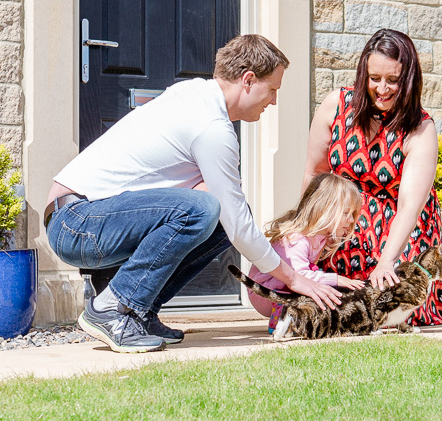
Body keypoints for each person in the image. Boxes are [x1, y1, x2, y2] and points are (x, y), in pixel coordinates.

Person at [45, 34, 342, 354]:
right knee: (204, 210)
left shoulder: (195, 95)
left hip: (86, 218)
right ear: (248, 80)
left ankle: (140, 312)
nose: (273, 101)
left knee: (217, 220)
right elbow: (239, 226)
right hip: (75, 222)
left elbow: (233, 218)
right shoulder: (211, 126)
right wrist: (295, 279)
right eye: (272, 90)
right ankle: (114, 308)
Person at [302, 28, 442, 326]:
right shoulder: (336, 105)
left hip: (397, 224)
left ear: (408, 80)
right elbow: (314, 173)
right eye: (374, 79)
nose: (382, 88)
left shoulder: (421, 128)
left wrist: (387, 260)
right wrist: (305, 233)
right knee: (327, 296)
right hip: (344, 218)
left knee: (398, 300)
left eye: (393, 80)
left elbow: (410, 205)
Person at [246, 172, 364, 332]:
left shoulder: (319, 236)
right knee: (315, 285)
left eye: (353, 215)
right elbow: (299, 276)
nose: (351, 220)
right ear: (325, 209)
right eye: (346, 213)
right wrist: (336, 279)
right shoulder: (296, 239)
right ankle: (282, 320)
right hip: (262, 292)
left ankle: (298, 316)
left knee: (317, 281)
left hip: (275, 286)